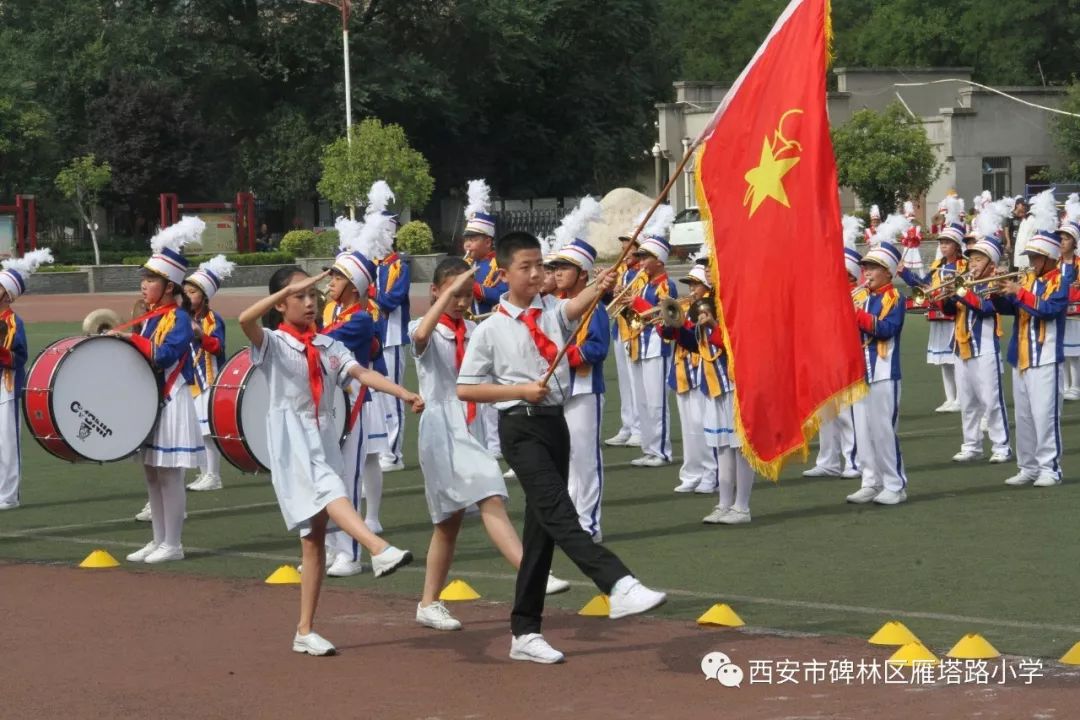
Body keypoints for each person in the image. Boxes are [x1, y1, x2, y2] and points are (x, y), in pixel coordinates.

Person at [457, 231, 667, 664]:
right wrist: (518, 390)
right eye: (526, 267)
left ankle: (525, 631)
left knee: (539, 534)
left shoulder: (552, 311)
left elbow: (576, 306)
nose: (537, 274)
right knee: (558, 509)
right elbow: (466, 388)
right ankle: (616, 583)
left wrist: (602, 282)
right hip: (520, 427)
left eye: (542, 266)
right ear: (505, 271)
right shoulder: (491, 328)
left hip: (555, 425)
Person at [238, 265, 421, 656]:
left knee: (314, 540)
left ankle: (304, 630)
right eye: (299, 295)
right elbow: (245, 319)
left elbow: (360, 373)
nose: (309, 300)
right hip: (292, 439)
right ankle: (377, 549)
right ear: (280, 304)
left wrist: (402, 392)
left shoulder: (327, 345)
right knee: (330, 490)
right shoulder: (271, 342)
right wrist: (292, 286)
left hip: (323, 434)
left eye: (312, 294)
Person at [412, 257, 569, 632]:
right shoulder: (425, 327)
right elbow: (419, 340)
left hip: (474, 424)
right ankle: (534, 570)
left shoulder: (475, 329)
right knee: (491, 494)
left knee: (448, 524)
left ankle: (428, 603)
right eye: (453, 294)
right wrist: (447, 294)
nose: (462, 302)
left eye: (467, 295)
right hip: (442, 429)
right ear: (435, 291)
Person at [122, 219, 205, 562]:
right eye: (144, 279)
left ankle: (174, 543)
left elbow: (165, 354)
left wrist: (129, 340)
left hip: (172, 399)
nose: (144, 285)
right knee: (152, 473)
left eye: (151, 280)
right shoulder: (152, 317)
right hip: (152, 401)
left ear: (170, 286)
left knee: (170, 475)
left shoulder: (180, 319)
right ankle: (158, 540)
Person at [318, 215, 389, 577]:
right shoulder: (335, 313)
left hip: (353, 402)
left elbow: (325, 345)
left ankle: (351, 553)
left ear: (355, 286)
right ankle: (332, 547)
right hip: (332, 403)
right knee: (330, 476)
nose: (330, 282)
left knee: (349, 477)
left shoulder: (360, 319)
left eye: (338, 277)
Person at [992, 190, 1072, 487]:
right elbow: (1007, 309)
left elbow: (1049, 310)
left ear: (1049, 258)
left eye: (1036, 257)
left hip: (1046, 357)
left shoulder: (1058, 282)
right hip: (1020, 356)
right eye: (1031, 256)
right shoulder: (1027, 280)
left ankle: (1050, 468)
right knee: (1024, 417)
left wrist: (1019, 292)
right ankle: (1027, 466)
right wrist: (1000, 293)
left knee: (1044, 416)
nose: (1032, 261)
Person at [547, 199, 610, 539]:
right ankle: (572, 518)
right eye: (555, 266)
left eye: (564, 267)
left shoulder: (594, 307)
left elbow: (598, 349)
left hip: (584, 389)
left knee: (585, 457)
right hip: (560, 389)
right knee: (566, 457)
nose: (556, 272)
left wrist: (565, 355)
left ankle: (590, 523)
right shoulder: (556, 306)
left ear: (582, 273)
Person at [846, 234, 908, 506]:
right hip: (860, 372)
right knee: (863, 430)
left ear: (887, 272)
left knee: (883, 430)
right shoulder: (858, 296)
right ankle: (870, 481)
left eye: (872, 267)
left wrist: (854, 314)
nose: (866, 272)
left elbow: (886, 330)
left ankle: (895, 484)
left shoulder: (895, 298)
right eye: (865, 267)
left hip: (883, 372)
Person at [942, 227, 1012, 465]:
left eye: (978, 258)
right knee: (968, 401)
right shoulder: (965, 281)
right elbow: (950, 311)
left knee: (991, 400)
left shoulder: (995, 283)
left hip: (985, 348)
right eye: (971, 258)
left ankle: (1001, 445)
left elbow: (986, 309)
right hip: (961, 347)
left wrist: (961, 293)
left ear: (990, 263)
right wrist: (946, 297)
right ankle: (971, 445)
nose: (972, 263)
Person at [804, 217, 863, 479]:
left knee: (847, 413)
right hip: (824, 355)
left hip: (847, 357)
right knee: (825, 411)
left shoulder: (858, 294)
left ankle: (853, 461)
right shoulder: (827, 291)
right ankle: (828, 459)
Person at [362, 181, 412, 473]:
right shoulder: (373, 265)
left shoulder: (397, 266)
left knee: (393, 393)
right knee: (377, 395)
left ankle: (393, 454)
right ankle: (382, 447)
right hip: (374, 337)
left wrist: (369, 291)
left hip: (392, 336)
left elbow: (391, 300)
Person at [899, 197, 965, 413]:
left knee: (955, 358)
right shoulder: (938, 265)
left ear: (956, 245)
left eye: (947, 243)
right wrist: (905, 273)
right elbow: (924, 284)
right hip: (937, 314)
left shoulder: (963, 266)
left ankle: (961, 398)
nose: (943, 246)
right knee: (943, 360)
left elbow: (963, 290)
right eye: (941, 243)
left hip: (954, 315)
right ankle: (950, 397)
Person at [0, 249, 53, 510]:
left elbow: (18, 358)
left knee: (7, 443)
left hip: (6, 388)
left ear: (7, 294)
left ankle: (9, 495)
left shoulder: (12, 323)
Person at [625, 206, 677, 467]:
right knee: (643, 401)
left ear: (659, 259)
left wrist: (636, 303)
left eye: (646, 257)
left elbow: (668, 313)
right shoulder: (641, 282)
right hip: (638, 343)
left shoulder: (665, 283)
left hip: (657, 344)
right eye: (641, 257)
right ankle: (649, 447)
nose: (641, 261)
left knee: (657, 402)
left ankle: (662, 450)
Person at [462, 179, 507, 459]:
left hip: (492, 330)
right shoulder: (467, 264)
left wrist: (474, 287)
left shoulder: (497, 263)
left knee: (494, 389)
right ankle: (480, 439)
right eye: (466, 238)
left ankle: (496, 442)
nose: (467, 243)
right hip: (468, 330)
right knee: (472, 386)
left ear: (488, 241)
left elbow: (503, 292)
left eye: (473, 239)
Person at [183, 255, 234, 492]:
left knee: (207, 431)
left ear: (204, 297)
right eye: (185, 291)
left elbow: (217, 347)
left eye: (192, 292)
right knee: (197, 432)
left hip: (209, 379)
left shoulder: (214, 320)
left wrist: (200, 336)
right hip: (191, 380)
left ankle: (214, 475)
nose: (187, 296)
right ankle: (204, 473)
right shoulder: (185, 318)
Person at [670, 257, 714, 493]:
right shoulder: (686, 306)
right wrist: (671, 322)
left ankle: (710, 473)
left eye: (695, 284)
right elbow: (668, 334)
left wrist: (682, 327)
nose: (691, 290)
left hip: (701, 371)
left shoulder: (708, 306)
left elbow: (698, 337)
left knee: (702, 425)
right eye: (690, 284)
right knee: (688, 428)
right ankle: (691, 472)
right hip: (681, 372)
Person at [603, 223, 646, 448]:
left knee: (635, 382)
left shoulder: (641, 274)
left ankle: (640, 428)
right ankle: (627, 425)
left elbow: (639, 306)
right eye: (622, 248)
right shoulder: (623, 271)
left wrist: (622, 294)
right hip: (619, 329)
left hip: (634, 330)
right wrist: (608, 287)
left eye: (627, 248)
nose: (623, 252)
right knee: (624, 384)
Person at [1057, 194, 1080, 400]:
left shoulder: (1079, 263)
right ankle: (1063, 385)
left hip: (1076, 312)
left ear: (1074, 242)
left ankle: (1076, 386)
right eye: (1060, 239)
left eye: (1066, 239)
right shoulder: (1054, 263)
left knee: (1075, 352)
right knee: (1062, 350)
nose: (1062, 242)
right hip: (1059, 310)